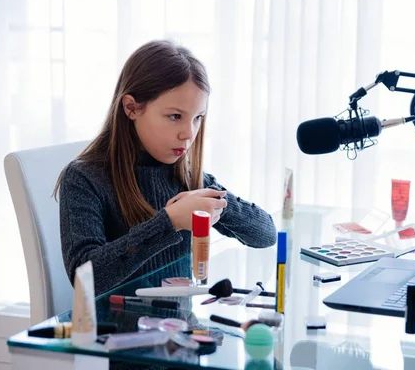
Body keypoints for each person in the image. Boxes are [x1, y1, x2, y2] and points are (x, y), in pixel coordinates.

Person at [55, 40, 277, 296]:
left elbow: (266, 234)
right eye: (175, 116)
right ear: (131, 108)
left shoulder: (186, 176)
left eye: (198, 118)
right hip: (118, 331)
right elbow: (86, 278)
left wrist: (217, 205)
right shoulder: (85, 178)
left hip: (179, 328)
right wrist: (169, 222)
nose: (189, 134)